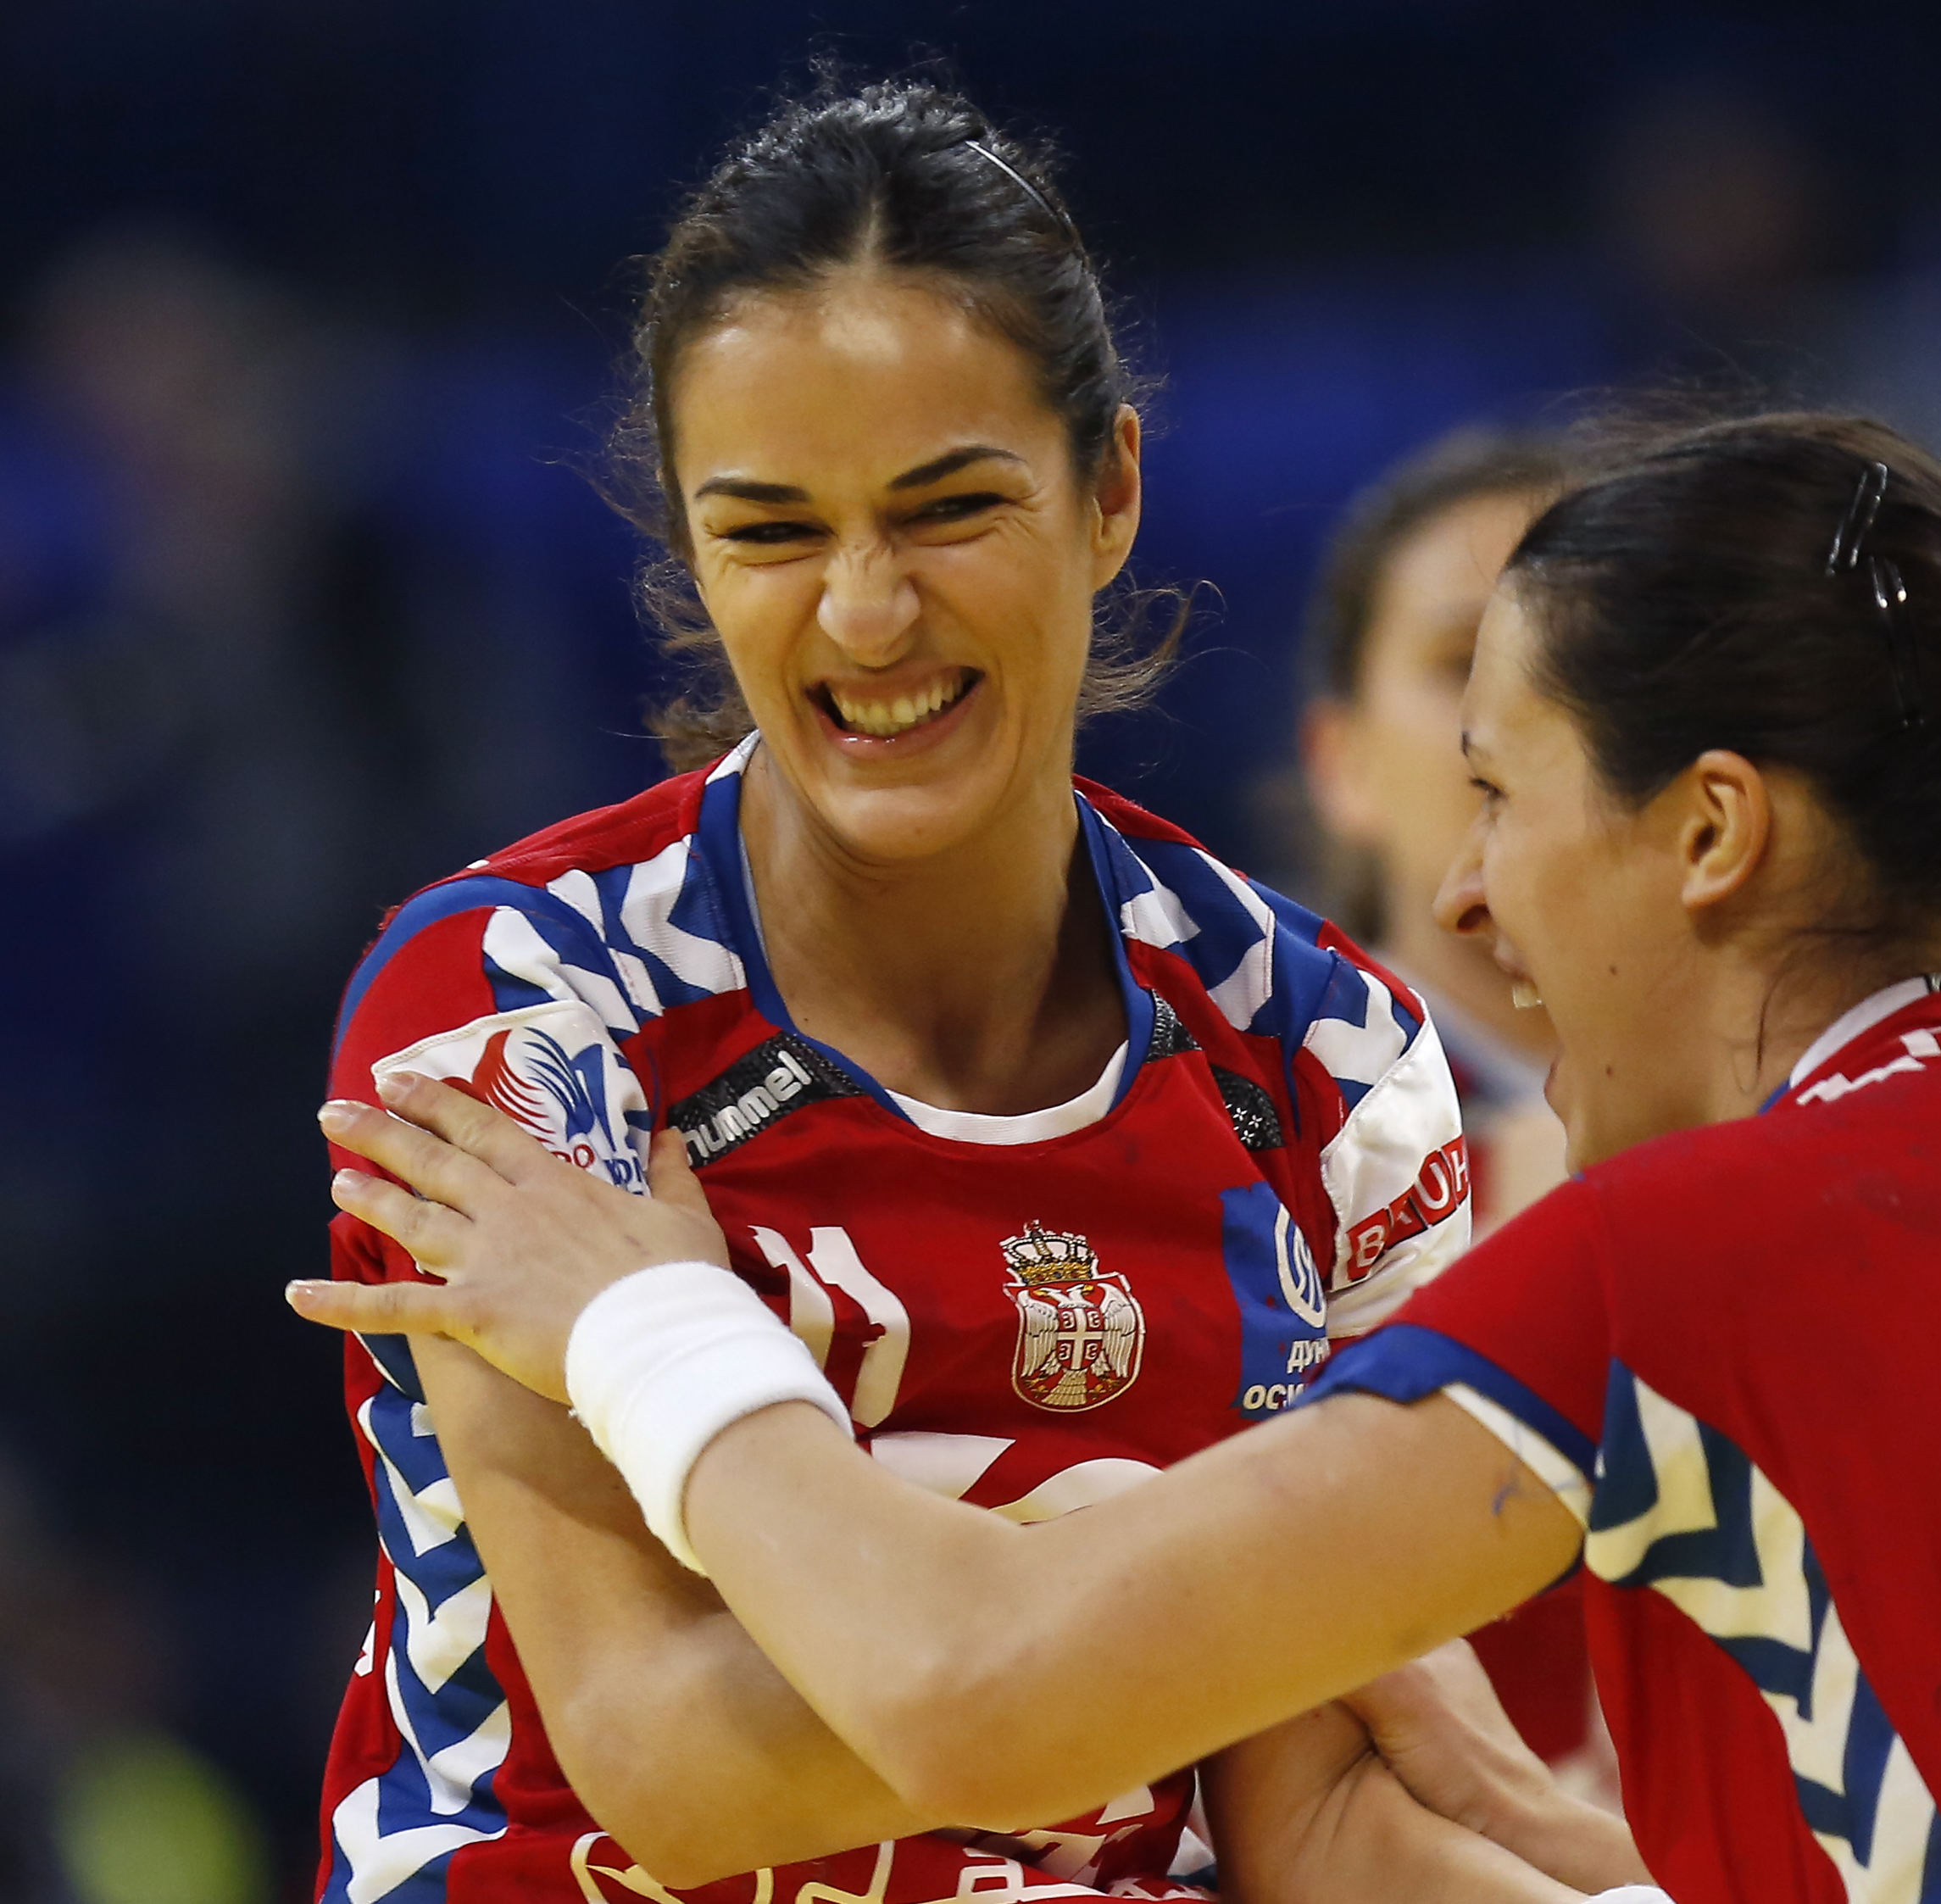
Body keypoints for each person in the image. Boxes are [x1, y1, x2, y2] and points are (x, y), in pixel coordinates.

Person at [297, 410, 1941, 1901]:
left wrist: (644, 1317)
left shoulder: (1688, 1251)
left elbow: (969, 1688)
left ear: (1710, 832)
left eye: (1502, 796)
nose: (1463, 899)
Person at [295, 73, 1606, 1904]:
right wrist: (1230, 1590)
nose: (865, 613)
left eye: (947, 508)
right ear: (685, 546)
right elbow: (672, 1761)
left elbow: (1319, 1813)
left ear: (1109, 491)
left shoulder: (1326, 1056)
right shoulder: (521, 998)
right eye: (770, 531)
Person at [1296, 428, 1602, 1778]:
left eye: (1590, 652)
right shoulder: (1235, 1144)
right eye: (1458, 657)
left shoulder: (1819, 1131)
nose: (1520, 713)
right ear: (1343, 761)